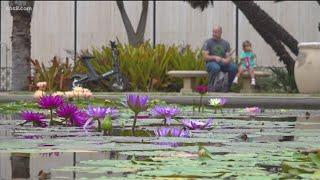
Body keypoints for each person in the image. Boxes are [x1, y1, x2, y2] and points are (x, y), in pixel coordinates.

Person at [202, 25, 237, 92]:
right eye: (213, 32)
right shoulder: (208, 42)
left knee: (234, 67)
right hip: (211, 63)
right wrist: (214, 57)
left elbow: (228, 57)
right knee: (216, 67)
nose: (214, 34)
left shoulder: (226, 43)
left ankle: (227, 87)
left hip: (222, 63)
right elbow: (205, 57)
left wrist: (226, 60)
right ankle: (210, 86)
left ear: (220, 33)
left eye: (216, 32)